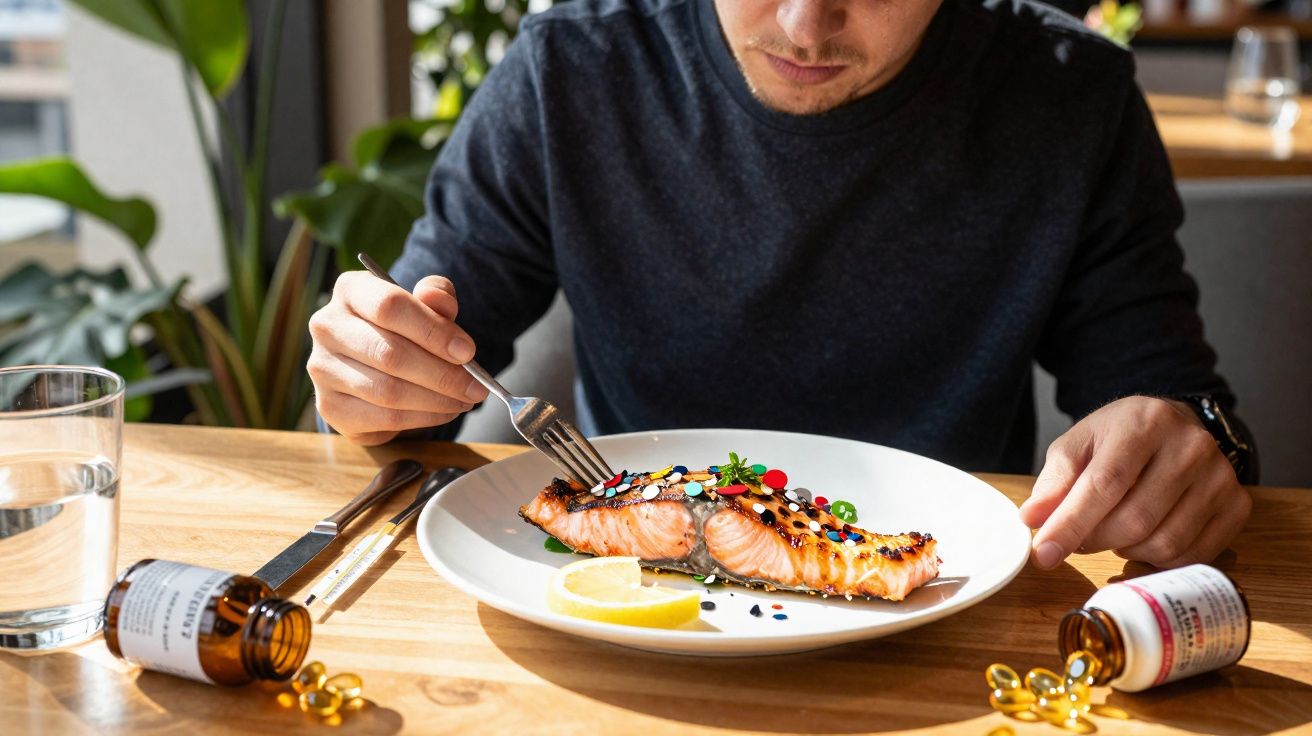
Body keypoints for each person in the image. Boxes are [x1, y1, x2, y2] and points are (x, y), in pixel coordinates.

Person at [306, 0, 1257, 572]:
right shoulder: (570, 71)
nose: (806, 25)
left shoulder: (1071, 98)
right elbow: (409, 371)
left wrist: (1189, 445)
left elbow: (1177, 413)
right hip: (627, 608)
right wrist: (373, 378)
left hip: (950, 606)